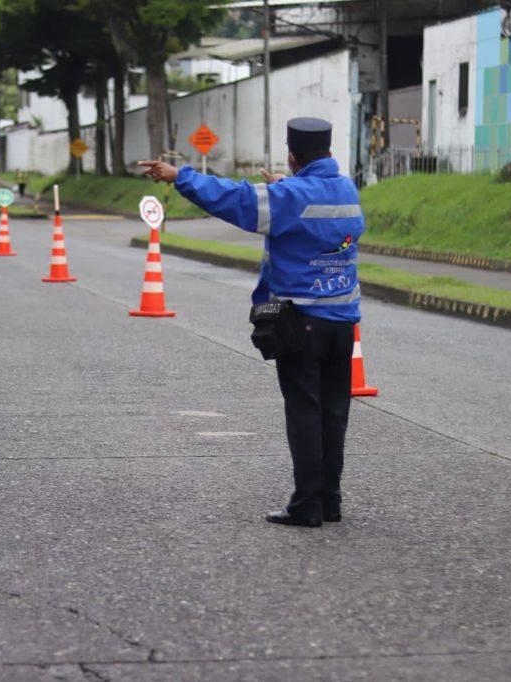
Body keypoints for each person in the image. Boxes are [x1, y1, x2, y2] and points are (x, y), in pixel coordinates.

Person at [139, 117, 364, 528]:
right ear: (330, 154)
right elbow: (308, 204)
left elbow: (234, 198)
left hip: (302, 323)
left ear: (293, 157)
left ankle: (307, 505)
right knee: (334, 413)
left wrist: (179, 176)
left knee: (304, 412)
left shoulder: (289, 197)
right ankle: (330, 500)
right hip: (344, 325)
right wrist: (286, 185)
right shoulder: (346, 189)